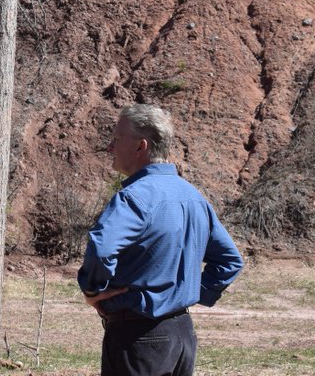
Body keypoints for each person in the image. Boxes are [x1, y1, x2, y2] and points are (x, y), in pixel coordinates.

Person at [78, 103, 244, 376]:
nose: (110, 147)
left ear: (140, 146)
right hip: (182, 337)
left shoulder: (134, 198)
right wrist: (185, 294)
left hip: (138, 336)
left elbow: (102, 248)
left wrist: (93, 291)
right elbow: (230, 261)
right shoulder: (192, 196)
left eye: (116, 139)